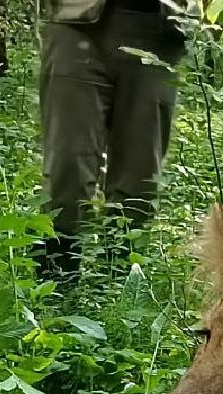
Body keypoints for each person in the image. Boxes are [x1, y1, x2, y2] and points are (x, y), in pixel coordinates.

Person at [37, 0, 191, 277]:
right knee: (68, 166)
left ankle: (120, 286)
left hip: (159, 29)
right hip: (77, 24)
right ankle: (54, 290)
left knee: (139, 178)